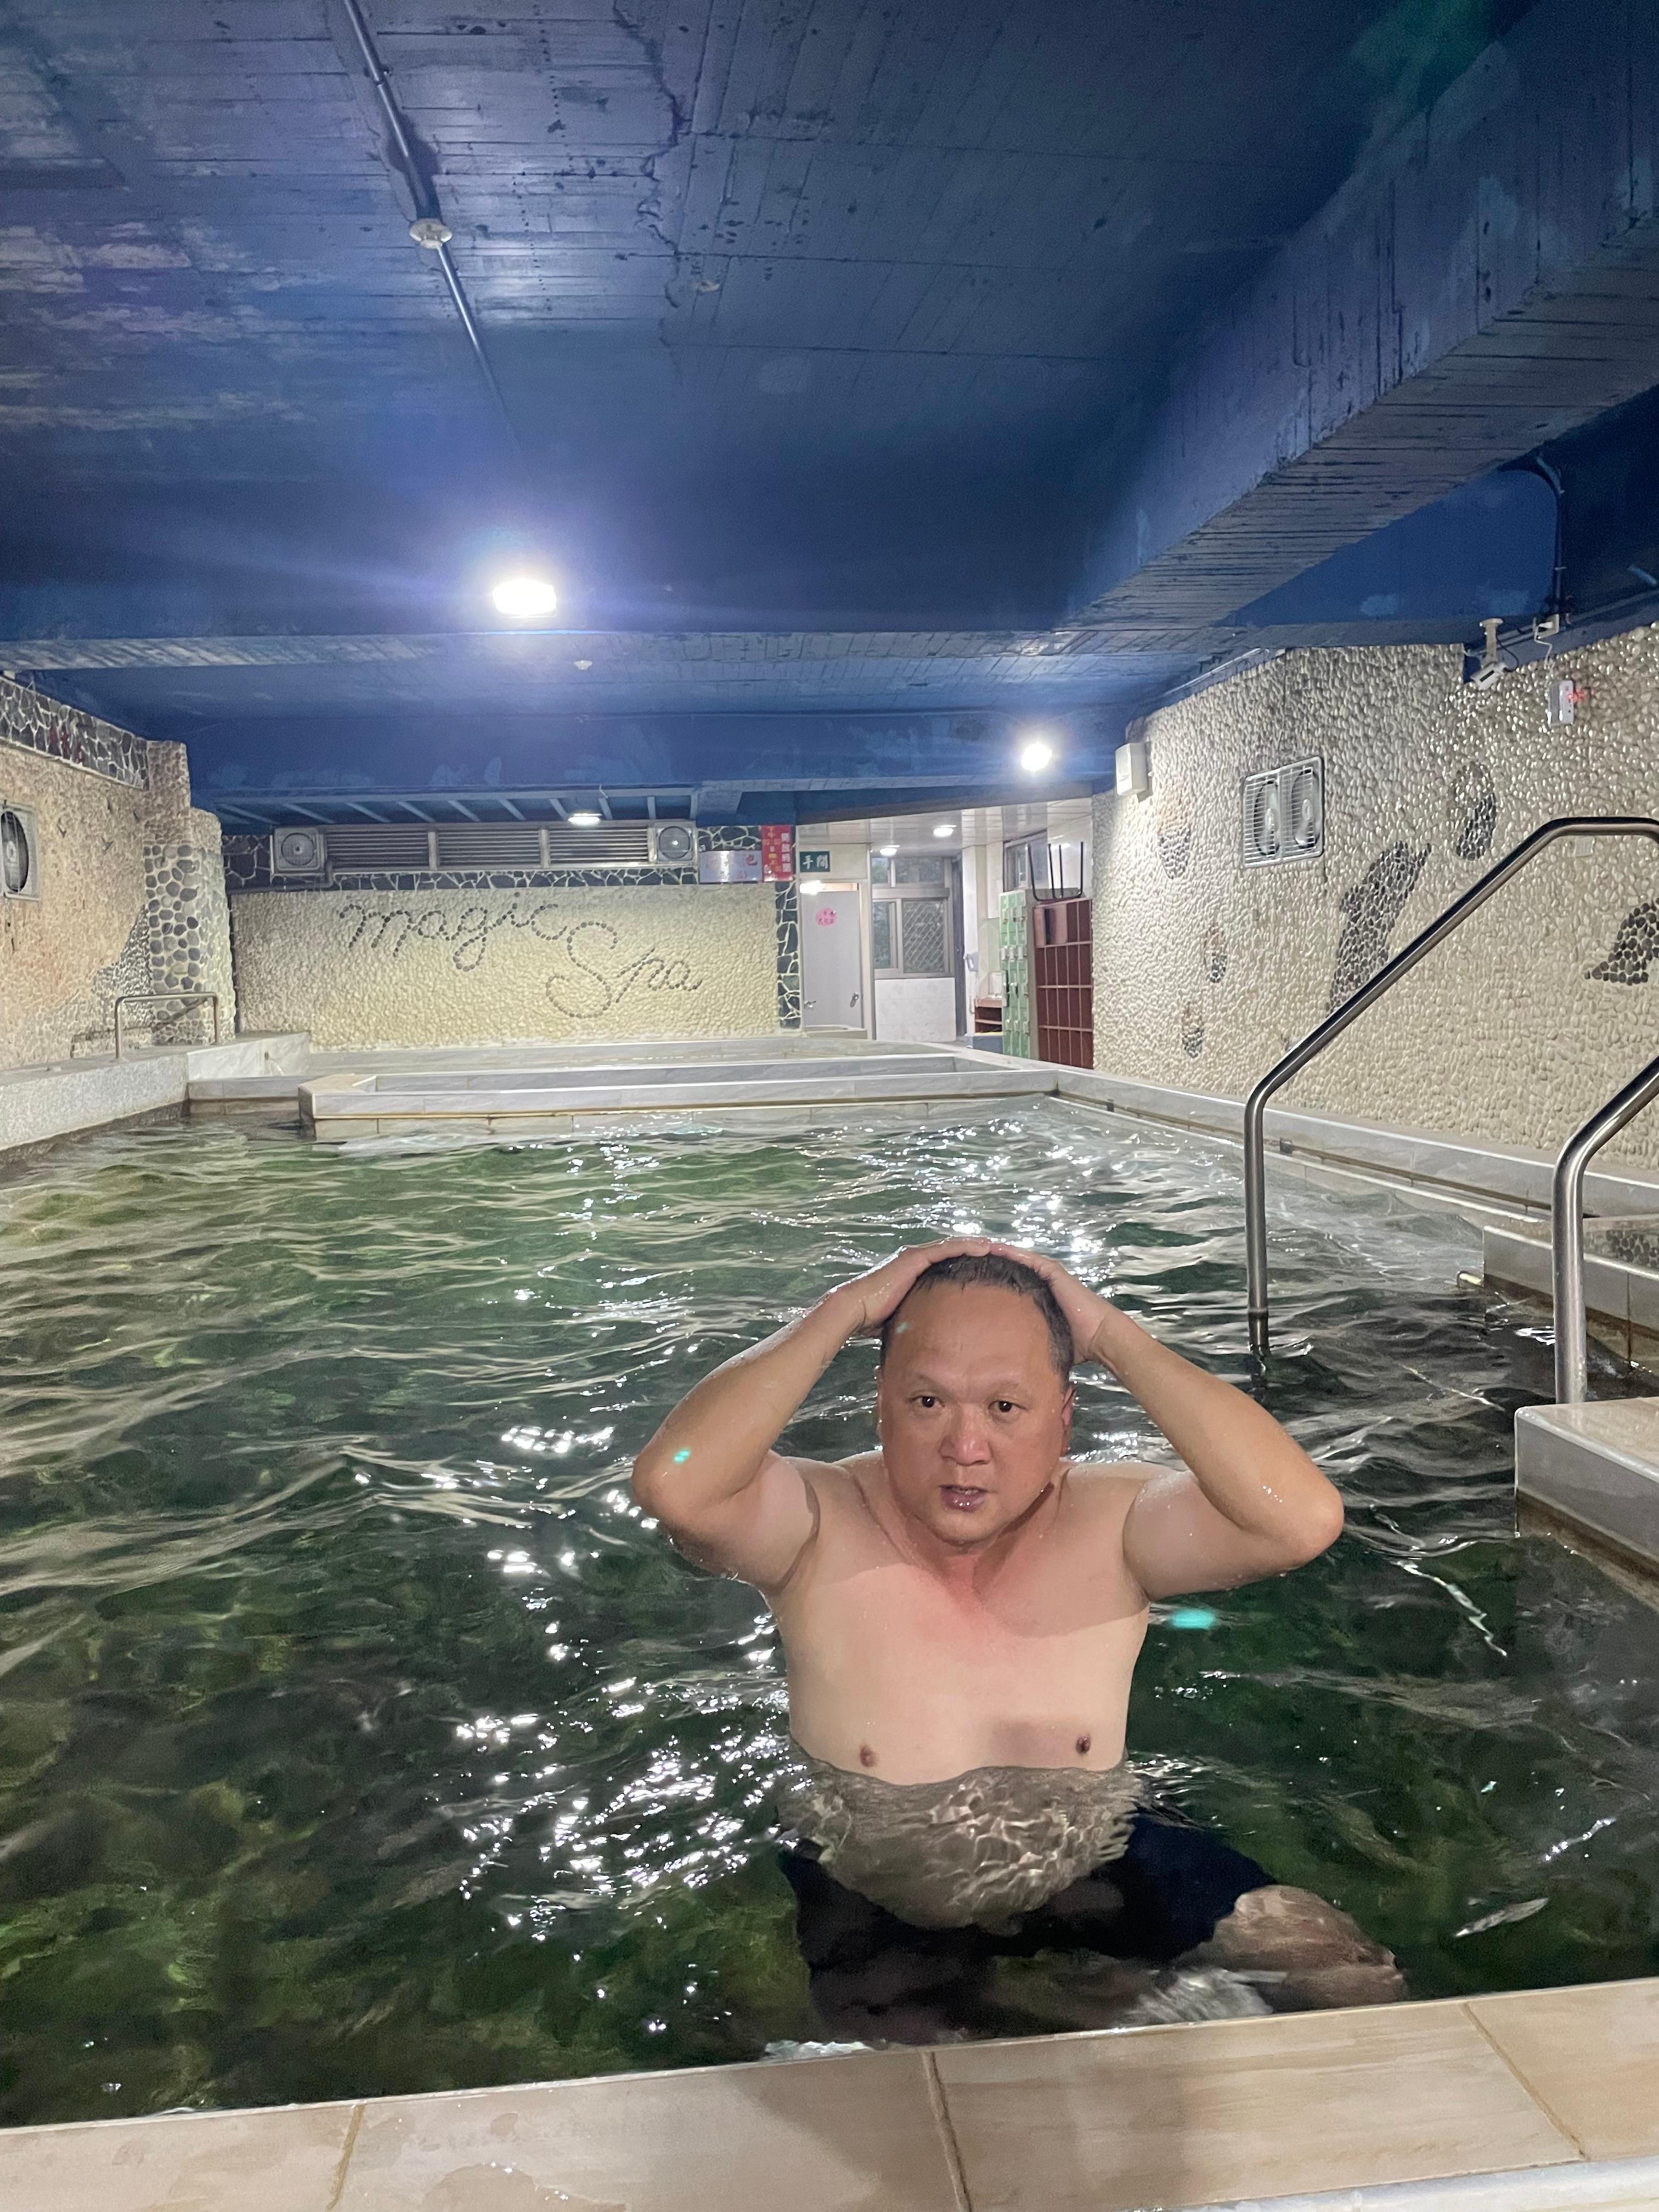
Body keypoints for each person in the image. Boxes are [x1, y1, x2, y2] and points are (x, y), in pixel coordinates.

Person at [633, 1240, 1403, 2042]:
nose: (966, 1447)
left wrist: (1112, 1336)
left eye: (1005, 1407)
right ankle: (1090, 2004)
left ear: (1063, 1417)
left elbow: (1299, 1521)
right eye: (927, 1402)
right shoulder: (816, 1523)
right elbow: (676, 1484)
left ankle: (1096, 2001)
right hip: (879, 1891)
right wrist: (843, 1310)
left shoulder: (1112, 1523)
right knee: (879, 2058)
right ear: (880, 1407)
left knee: (1347, 1975)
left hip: (1101, 1851)